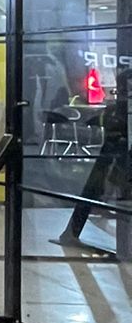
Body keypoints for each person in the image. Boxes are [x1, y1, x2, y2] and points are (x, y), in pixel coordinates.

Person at [55, 81, 128, 257]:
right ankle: (74, 230)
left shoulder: (115, 110)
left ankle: (74, 230)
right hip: (114, 153)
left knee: (97, 187)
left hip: (113, 153)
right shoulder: (116, 111)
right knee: (97, 187)